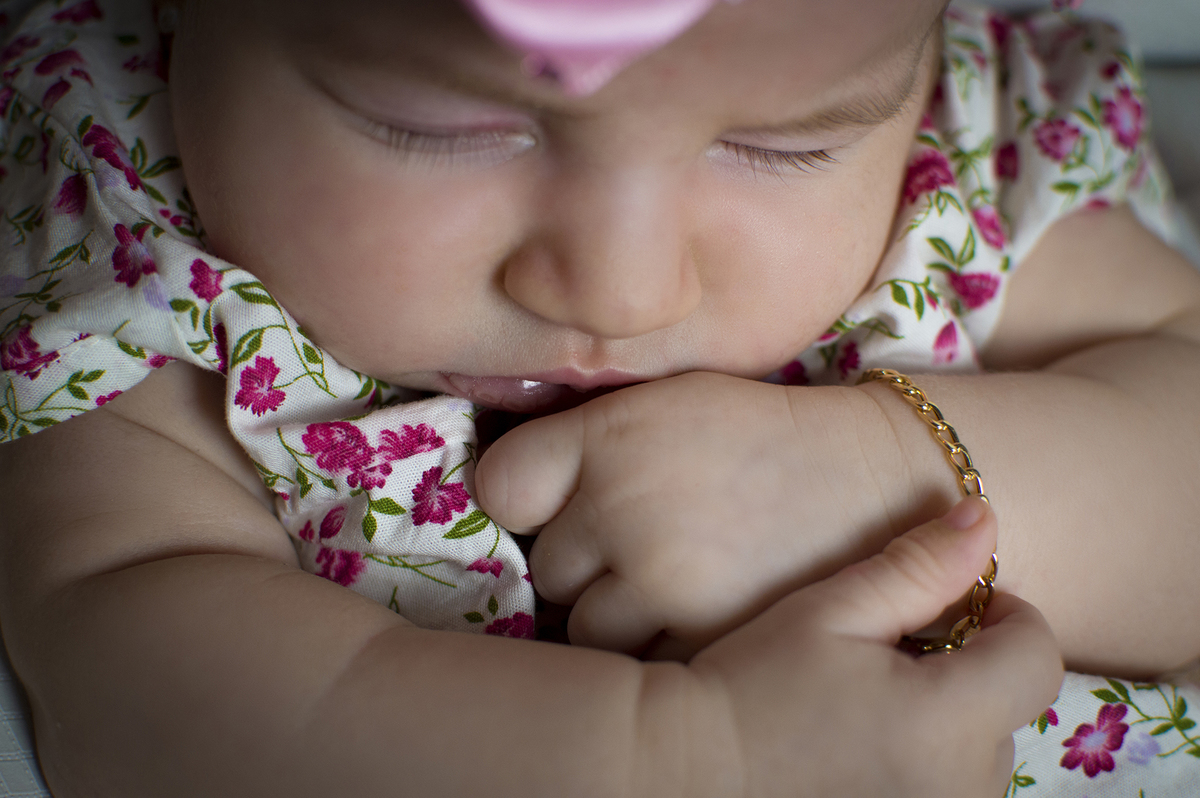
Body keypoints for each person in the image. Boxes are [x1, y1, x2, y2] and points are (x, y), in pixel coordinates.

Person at [0, 0, 1195, 794]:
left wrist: (888, 478)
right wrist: (687, 763)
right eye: (436, 126)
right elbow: (126, 667)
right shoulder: (129, 205)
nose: (623, 291)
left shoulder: (977, 151)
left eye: (788, 145)